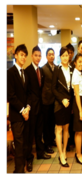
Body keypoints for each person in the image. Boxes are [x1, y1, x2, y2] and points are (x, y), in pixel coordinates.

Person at [25, 45, 51, 172]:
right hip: (31, 107)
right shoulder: (27, 70)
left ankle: (40, 153)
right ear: (31, 56)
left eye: (39, 55)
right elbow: (27, 92)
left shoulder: (40, 70)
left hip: (40, 106)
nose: (38, 57)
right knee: (30, 135)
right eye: (36, 55)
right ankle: (29, 159)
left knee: (39, 132)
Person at [7, 44, 30, 173]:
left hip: (25, 114)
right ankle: (19, 170)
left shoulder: (25, 72)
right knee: (19, 144)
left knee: (25, 143)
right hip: (17, 115)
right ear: (15, 55)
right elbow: (11, 95)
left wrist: (27, 108)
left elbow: (27, 94)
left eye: (25, 55)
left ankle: (21, 168)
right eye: (21, 55)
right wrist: (22, 110)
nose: (23, 57)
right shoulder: (10, 73)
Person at [52, 46, 73, 167]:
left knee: (66, 128)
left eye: (67, 55)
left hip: (68, 104)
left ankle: (65, 150)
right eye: (63, 55)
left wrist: (68, 100)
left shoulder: (71, 69)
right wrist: (62, 99)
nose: (65, 57)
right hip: (59, 104)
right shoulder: (57, 70)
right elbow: (53, 89)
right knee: (59, 129)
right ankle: (60, 154)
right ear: (60, 57)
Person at [72, 53, 82, 165]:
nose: (81, 63)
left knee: (80, 131)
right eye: (79, 62)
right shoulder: (75, 75)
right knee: (78, 131)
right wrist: (81, 111)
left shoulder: (80, 73)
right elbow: (77, 94)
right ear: (75, 63)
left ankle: (78, 152)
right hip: (78, 103)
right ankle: (78, 155)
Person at [41, 48, 56, 154]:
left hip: (54, 100)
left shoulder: (56, 68)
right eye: (49, 54)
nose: (51, 56)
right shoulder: (43, 69)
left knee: (52, 123)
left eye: (52, 54)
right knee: (46, 124)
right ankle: (46, 144)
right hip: (46, 101)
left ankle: (51, 140)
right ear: (46, 56)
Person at [66, 43, 75, 151]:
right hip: (64, 100)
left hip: (73, 98)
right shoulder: (61, 67)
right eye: (67, 53)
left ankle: (72, 141)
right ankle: (66, 143)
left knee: (72, 123)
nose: (69, 55)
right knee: (65, 124)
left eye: (71, 53)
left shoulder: (74, 66)